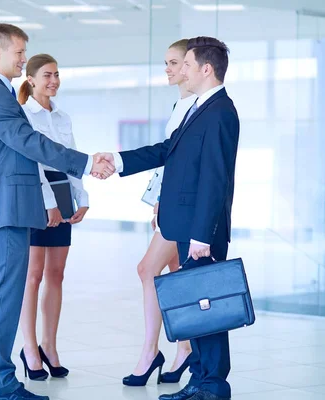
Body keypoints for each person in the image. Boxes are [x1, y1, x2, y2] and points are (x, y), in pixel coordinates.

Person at [0, 24, 113, 400]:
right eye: (19, 52)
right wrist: (84, 163)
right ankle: (2, 383)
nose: (23, 59)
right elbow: (29, 142)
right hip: (6, 211)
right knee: (1, 298)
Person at [97, 36, 239, 400]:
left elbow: (214, 176)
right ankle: (200, 381)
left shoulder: (221, 111)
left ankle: (212, 386)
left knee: (208, 310)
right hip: (185, 225)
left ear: (206, 69)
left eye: (187, 65)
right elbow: (166, 151)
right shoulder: (197, 108)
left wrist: (203, 235)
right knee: (197, 307)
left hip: (199, 230)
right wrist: (119, 160)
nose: (182, 71)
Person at [122, 39, 196, 387]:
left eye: (173, 62)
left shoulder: (197, 106)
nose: (167, 69)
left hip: (185, 208)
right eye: (165, 62)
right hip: (170, 204)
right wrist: (158, 198)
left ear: (190, 66)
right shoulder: (180, 104)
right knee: (173, 271)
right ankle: (184, 347)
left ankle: (151, 351)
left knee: (147, 268)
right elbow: (169, 159)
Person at [16, 54, 88, 381]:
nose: (54, 81)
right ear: (31, 79)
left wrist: (81, 198)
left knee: (56, 274)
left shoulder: (63, 118)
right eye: (47, 75)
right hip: (35, 197)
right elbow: (32, 161)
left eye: (57, 75)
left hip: (62, 194)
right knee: (33, 275)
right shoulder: (22, 115)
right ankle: (29, 348)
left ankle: (49, 346)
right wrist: (49, 203)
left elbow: (70, 158)